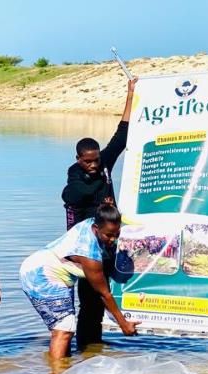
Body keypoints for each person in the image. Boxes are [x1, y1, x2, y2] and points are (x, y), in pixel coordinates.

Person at [62, 77, 137, 349]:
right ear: (78, 158)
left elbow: (122, 134)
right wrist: (101, 204)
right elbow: (71, 196)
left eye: (96, 160)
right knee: (90, 299)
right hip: (85, 249)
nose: (94, 165)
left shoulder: (104, 165)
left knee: (101, 299)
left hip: (107, 244)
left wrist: (131, 93)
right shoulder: (75, 176)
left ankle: (94, 346)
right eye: (88, 161)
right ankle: (86, 349)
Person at [20, 203, 138, 359]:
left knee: (64, 329)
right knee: (63, 330)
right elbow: (104, 294)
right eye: (108, 235)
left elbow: (103, 214)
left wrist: (108, 207)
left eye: (116, 234)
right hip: (42, 275)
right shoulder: (89, 254)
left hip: (51, 271)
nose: (113, 239)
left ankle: (62, 366)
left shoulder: (92, 222)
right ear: (96, 228)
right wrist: (123, 324)